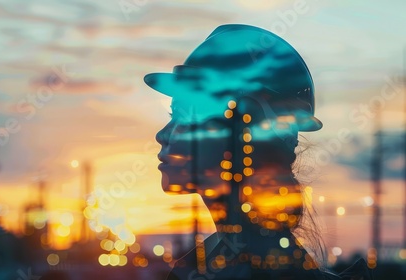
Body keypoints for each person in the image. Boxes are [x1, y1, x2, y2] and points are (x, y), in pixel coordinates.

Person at [144, 24, 372, 280]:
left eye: (185, 116)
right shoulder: (212, 265)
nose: (163, 134)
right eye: (172, 115)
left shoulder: (252, 270)